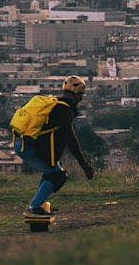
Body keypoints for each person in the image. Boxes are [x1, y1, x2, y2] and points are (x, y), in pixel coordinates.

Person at [14, 75, 95, 216]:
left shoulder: (54, 103)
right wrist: (84, 165)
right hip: (28, 147)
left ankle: (39, 203)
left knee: (52, 172)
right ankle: (35, 206)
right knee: (58, 176)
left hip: (22, 141)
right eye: (81, 95)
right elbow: (71, 139)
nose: (81, 99)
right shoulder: (64, 110)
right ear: (77, 95)